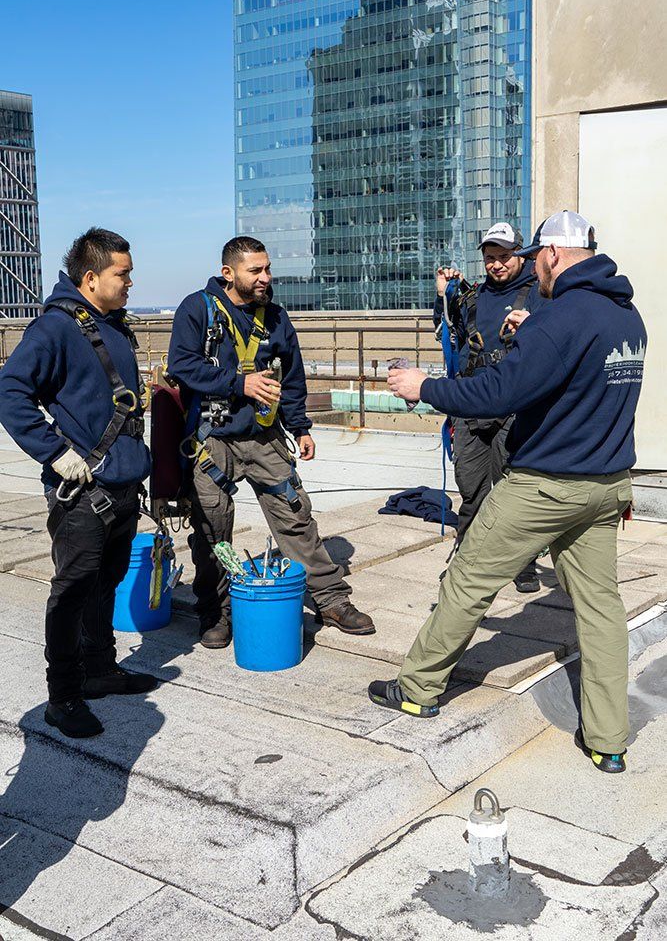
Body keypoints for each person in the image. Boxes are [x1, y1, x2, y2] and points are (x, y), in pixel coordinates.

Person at [370, 211, 645, 775]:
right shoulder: (628, 317)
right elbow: (592, 393)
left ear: (549, 254)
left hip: (545, 485)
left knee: (467, 580)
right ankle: (608, 739)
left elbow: (497, 392)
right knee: (600, 611)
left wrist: (425, 386)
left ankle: (418, 687)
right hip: (606, 486)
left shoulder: (561, 317)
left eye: (535, 257)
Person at [167, 235, 375, 648]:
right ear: (228, 273)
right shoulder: (198, 310)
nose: (265, 277)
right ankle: (217, 610)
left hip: (265, 438)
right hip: (213, 441)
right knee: (212, 532)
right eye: (255, 270)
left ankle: (330, 598)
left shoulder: (276, 317)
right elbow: (183, 366)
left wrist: (301, 428)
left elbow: (292, 378)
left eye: (267, 269)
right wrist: (239, 383)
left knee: (296, 518)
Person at [0, 228, 156, 738]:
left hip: (121, 485)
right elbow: (11, 392)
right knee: (71, 591)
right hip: (84, 493)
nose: (131, 282)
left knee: (103, 585)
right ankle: (62, 695)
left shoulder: (111, 324)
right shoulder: (55, 329)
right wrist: (55, 453)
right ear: (90, 278)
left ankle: (99, 670)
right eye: (122, 274)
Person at [434, 221, 548, 593]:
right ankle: (467, 558)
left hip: (513, 406)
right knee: (471, 487)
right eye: (490, 259)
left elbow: (553, 340)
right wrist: (443, 294)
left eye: (504, 257)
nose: (497, 265)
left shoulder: (537, 295)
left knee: (513, 489)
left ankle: (523, 562)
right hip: (471, 404)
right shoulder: (471, 297)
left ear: (520, 255)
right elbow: (447, 329)